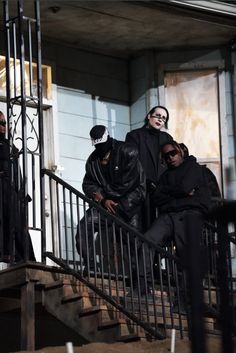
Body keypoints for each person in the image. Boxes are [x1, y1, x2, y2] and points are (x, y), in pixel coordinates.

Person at [138, 141, 212, 300]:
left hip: (189, 214)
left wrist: (169, 192)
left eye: (173, 153)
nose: (170, 157)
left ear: (180, 152)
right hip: (168, 215)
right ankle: (143, 287)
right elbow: (158, 197)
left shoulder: (194, 168)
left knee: (184, 253)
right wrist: (178, 192)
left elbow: (184, 187)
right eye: (166, 156)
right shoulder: (165, 175)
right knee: (147, 241)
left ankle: (185, 298)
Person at [75, 125, 146, 274]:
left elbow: (130, 184)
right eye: (97, 145)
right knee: (84, 226)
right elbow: (88, 184)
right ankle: (92, 267)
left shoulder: (128, 151)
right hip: (106, 206)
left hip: (129, 205)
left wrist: (107, 197)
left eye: (102, 144)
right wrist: (102, 200)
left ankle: (139, 280)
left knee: (135, 244)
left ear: (109, 139)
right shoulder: (92, 161)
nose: (100, 148)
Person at [125, 105, 173, 229]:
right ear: (149, 116)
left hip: (161, 190)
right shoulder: (134, 136)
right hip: (141, 188)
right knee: (144, 225)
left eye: (164, 118)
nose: (160, 119)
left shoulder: (167, 138)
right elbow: (131, 162)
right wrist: (145, 181)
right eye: (158, 116)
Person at [0, 111, 35, 264]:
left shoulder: (9, 145)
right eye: (0, 123)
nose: (3, 127)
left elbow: (18, 173)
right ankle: (7, 253)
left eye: (4, 123)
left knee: (18, 224)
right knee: (4, 221)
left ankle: (27, 258)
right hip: (1, 188)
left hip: (11, 189)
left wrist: (21, 194)